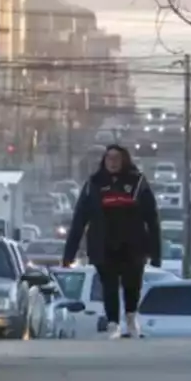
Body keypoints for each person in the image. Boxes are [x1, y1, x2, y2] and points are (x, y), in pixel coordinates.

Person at [62, 144, 162, 340]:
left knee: (132, 283)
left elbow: (152, 218)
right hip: (103, 244)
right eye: (109, 158)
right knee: (109, 285)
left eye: (117, 158)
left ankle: (131, 318)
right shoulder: (94, 184)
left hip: (133, 244)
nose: (113, 162)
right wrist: (69, 254)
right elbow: (80, 219)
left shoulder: (137, 182)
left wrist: (156, 253)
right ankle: (113, 323)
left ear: (124, 160)